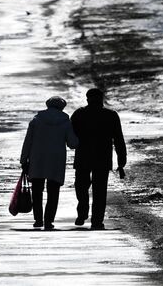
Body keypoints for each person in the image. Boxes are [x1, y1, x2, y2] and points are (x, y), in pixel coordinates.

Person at [71, 88, 126, 230]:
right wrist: (121, 161)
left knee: (81, 188)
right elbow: (119, 139)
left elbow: (70, 136)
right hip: (102, 158)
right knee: (100, 192)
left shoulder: (79, 114)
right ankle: (96, 221)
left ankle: (83, 211)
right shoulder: (111, 115)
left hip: (83, 157)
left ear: (87, 99)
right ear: (102, 99)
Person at [20, 96, 78, 230]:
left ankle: (38, 219)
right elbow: (72, 143)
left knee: (37, 191)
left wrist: (24, 159)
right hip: (56, 161)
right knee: (53, 192)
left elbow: (28, 141)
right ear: (62, 107)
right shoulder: (65, 122)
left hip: (37, 159)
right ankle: (48, 220)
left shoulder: (36, 120)